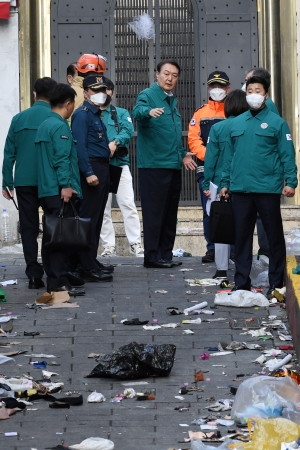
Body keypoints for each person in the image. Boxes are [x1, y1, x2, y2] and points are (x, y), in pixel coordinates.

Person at [220, 76, 298, 298]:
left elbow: (287, 155)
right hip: (241, 189)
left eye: (258, 90)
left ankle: (275, 283)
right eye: (250, 90)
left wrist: (291, 182)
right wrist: (225, 183)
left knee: (273, 237)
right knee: (242, 238)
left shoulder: (277, 123)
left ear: (266, 95)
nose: (253, 94)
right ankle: (241, 283)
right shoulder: (236, 123)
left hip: (267, 189)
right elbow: (229, 157)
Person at [132, 60, 197, 269]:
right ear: (157, 74)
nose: (170, 78)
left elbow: (172, 136)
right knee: (154, 214)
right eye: (166, 74)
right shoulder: (148, 95)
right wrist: (148, 112)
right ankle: (152, 257)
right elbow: (137, 111)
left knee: (170, 214)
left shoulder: (172, 101)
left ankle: (165, 255)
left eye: (175, 75)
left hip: (172, 165)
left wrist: (183, 154)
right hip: (153, 166)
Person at [2, 77, 57, 289]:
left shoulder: (18, 119)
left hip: (24, 181)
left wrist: (7, 182)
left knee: (29, 228)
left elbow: (9, 154)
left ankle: (34, 273)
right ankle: (53, 271)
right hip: (50, 181)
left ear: (34, 94)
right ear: (53, 95)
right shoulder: (56, 119)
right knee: (53, 225)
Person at [35, 83, 85, 296]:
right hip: (58, 190)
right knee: (60, 239)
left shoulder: (44, 125)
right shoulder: (60, 126)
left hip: (46, 190)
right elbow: (61, 159)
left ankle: (56, 278)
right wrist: (66, 185)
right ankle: (59, 282)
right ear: (68, 104)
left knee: (51, 236)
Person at [202, 90, 249, 279]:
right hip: (244, 181)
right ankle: (242, 264)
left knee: (220, 223)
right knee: (243, 224)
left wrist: (207, 183)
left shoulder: (218, 128)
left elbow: (210, 159)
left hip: (219, 182)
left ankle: (221, 269)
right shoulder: (248, 127)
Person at [71, 76, 113, 282]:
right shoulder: (82, 115)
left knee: (95, 220)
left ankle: (91, 260)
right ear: (85, 92)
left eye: (102, 89)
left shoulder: (97, 115)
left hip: (102, 168)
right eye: (95, 90)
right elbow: (80, 147)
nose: (100, 93)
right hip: (92, 170)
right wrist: (88, 172)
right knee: (87, 220)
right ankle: (85, 265)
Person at [188, 71, 230, 263]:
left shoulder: (234, 110)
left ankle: (233, 248)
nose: (217, 90)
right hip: (206, 169)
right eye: (214, 86)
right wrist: (211, 157)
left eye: (221, 87)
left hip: (229, 168)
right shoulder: (200, 113)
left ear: (228, 89)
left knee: (232, 209)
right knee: (209, 210)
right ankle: (212, 247)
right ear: (208, 89)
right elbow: (193, 139)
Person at [99, 78, 144, 258]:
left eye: (106, 90)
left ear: (112, 92)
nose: (103, 93)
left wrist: (115, 143)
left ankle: (136, 243)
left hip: (118, 164)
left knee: (128, 204)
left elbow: (127, 131)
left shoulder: (120, 112)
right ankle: (109, 246)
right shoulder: (90, 113)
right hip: (99, 167)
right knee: (103, 208)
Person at [243, 67, 280, 259]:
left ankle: (267, 252)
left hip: (265, 177)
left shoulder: (268, 109)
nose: (247, 87)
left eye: (252, 84)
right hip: (255, 177)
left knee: (265, 219)